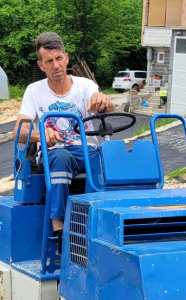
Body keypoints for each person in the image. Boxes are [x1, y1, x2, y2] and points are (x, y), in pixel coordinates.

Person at [13, 32, 112, 235]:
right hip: (56, 152)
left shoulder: (85, 86)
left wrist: (103, 100)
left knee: (107, 158)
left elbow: (106, 104)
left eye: (59, 58)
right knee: (60, 155)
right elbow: (19, 131)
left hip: (86, 149)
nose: (56, 65)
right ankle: (58, 229)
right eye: (49, 61)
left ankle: (96, 224)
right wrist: (41, 134)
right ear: (41, 65)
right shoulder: (34, 91)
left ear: (66, 58)